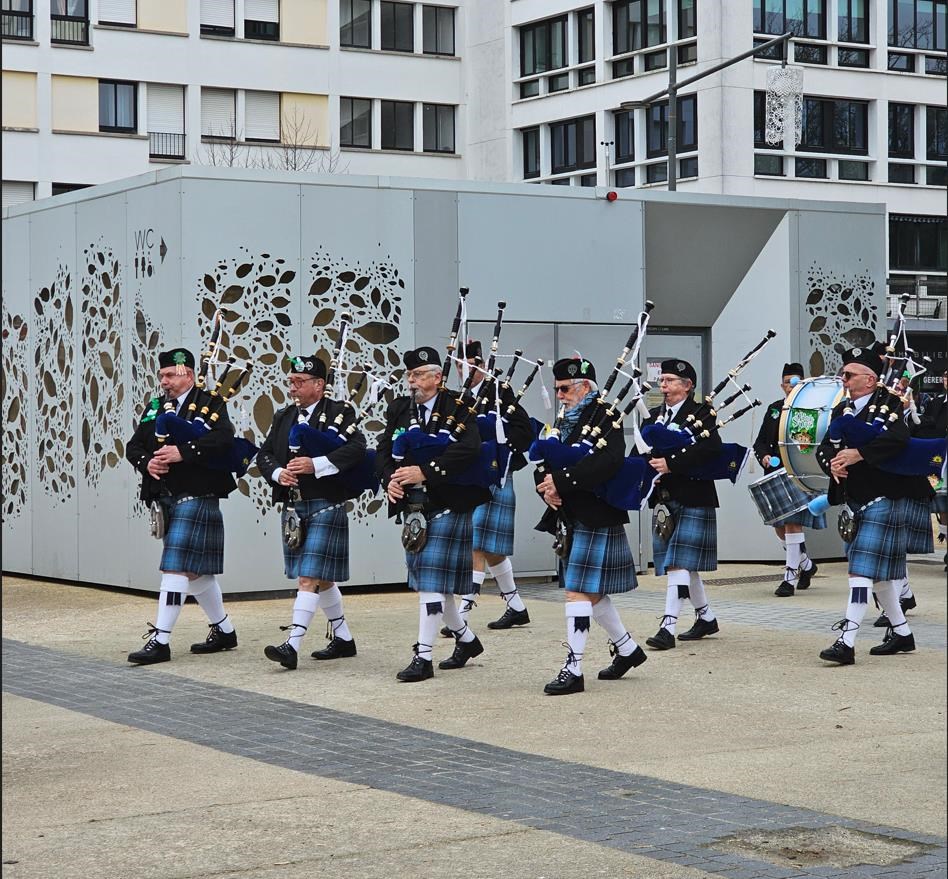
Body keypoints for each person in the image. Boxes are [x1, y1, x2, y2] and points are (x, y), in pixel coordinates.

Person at [375, 346, 491, 682]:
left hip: (450, 500)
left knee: (430, 581)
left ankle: (423, 657)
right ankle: (467, 640)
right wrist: (389, 480)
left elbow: (468, 449)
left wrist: (425, 472)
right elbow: (383, 449)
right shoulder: (399, 408)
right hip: (414, 506)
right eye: (409, 375)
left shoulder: (459, 406)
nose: (411, 381)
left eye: (418, 375)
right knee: (435, 583)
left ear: (437, 377)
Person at [815, 343, 934, 665]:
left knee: (860, 570)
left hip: (885, 495)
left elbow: (898, 441)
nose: (843, 379)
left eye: (849, 375)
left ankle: (846, 640)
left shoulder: (890, 404)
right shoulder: (841, 410)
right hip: (855, 498)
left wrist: (860, 454)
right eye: (843, 374)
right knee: (878, 575)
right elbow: (825, 446)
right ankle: (902, 633)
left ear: (869, 379)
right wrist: (832, 465)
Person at [534, 356, 646, 696]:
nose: (560, 395)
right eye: (557, 390)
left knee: (576, 592)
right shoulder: (562, 420)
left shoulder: (606, 416)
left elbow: (608, 463)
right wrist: (545, 488)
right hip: (570, 514)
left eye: (565, 389)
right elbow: (544, 462)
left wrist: (561, 482)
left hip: (597, 513)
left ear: (585, 387)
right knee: (590, 593)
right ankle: (627, 649)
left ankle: (573, 669)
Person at [125, 348, 239, 664]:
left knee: (174, 566)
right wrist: (147, 462)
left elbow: (224, 440)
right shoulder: (155, 406)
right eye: (161, 376)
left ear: (187, 374)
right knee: (193, 572)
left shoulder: (211, 403)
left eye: (169, 376)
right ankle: (224, 630)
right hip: (164, 497)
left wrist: (183, 452)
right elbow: (133, 446)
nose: (163, 382)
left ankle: (161, 640)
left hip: (197, 493)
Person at [256, 354, 366, 670]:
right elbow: (265, 454)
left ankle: (292, 645)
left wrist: (316, 465)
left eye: (299, 382)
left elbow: (357, 449)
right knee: (323, 578)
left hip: (326, 503)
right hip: (294, 505)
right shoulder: (284, 416)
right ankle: (343, 639)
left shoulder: (340, 413)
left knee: (308, 577)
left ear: (319, 385)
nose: (293, 387)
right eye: (291, 381)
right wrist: (278, 473)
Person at [440, 340, 534, 635]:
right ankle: (516, 607)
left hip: (495, 475)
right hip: (470, 478)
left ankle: (463, 614)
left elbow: (525, 433)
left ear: (482, 365)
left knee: (475, 543)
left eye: (469, 366)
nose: (463, 372)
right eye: (459, 367)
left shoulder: (500, 393)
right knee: (489, 549)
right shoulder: (461, 397)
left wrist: (497, 443)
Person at [642, 359, 723, 651]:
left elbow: (711, 449)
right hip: (664, 498)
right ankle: (706, 617)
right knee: (684, 565)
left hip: (694, 495)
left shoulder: (702, 415)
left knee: (678, 562)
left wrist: (672, 464)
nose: (663, 386)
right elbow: (641, 451)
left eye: (670, 381)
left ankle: (667, 627)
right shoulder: (652, 416)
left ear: (687, 386)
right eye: (661, 381)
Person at [752, 362, 823, 597]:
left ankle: (789, 578)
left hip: (797, 472)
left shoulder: (807, 410)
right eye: (786, 382)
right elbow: (760, 441)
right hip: (774, 473)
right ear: (781, 385)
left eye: (795, 382)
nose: (790, 386)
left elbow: (809, 444)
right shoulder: (774, 408)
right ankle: (806, 565)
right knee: (779, 526)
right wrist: (764, 456)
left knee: (793, 523)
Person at [915, 367, 948, 572]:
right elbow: (927, 427)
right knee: (943, 503)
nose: (946, 379)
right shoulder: (936, 402)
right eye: (946, 376)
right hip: (940, 460)